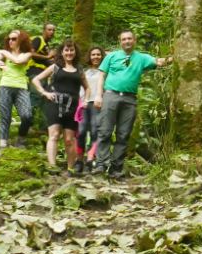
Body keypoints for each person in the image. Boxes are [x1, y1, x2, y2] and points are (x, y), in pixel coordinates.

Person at [92, 30, 169, 178]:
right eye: (124, 39)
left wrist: (177, 56)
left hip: (129, 99)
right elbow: (101, 74)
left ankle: (116, 169)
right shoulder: (112, 56)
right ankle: (101, 164)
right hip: (111, 95)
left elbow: (160, 62)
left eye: (129, 39)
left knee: (123, 134)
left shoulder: (141, 58)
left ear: (134, 40)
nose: (126, 41)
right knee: (105, 130)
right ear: (120, 42)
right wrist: (98, 95)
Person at [31, 39, 89, 173]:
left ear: (75, 52)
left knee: (69, 139)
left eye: (71, 50)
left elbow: (87, 88)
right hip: (54, 103)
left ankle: (71, 168)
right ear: (62, 52)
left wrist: (85, 100)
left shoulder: (79, 70)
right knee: (54, 135)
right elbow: (36, 79)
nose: (69, 53)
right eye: (66, 50)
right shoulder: (55, 67)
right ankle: (52, 166)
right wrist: (44, 92)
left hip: (72, 106)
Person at [0, 30, 33, 150]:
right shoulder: (5, 53)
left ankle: (21, 139)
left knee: (27, 116)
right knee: (5, 117)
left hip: (21, 88)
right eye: (9, 39)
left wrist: (3, 52)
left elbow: (18, 61)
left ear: (21, 40)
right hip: (5, 86)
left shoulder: (27, 54)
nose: (10, 41)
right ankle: (3, 145)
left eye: (14, 39)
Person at [76, 46, 105, 172]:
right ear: (89, 56)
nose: (96, 57)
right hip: (84, 103)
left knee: (94, 131)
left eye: (98, 54)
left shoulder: (105, 72)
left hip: (97, 104)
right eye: (93, 54)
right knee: (81, 132)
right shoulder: (85, 72)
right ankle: (79, 159)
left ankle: (90, 158)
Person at [27, 23, 56, 130]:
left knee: (46, 100)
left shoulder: (46, 46)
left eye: (53, 30)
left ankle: (43, 129)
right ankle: (28, 125)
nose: (51, 32)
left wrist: (53, 59)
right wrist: (48, 56)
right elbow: (31, 53)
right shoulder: (38, 40)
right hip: (34, 72)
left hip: (44, 74)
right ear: (44, 30)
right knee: (35, 97)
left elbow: (47, 61)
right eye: (49, 30)